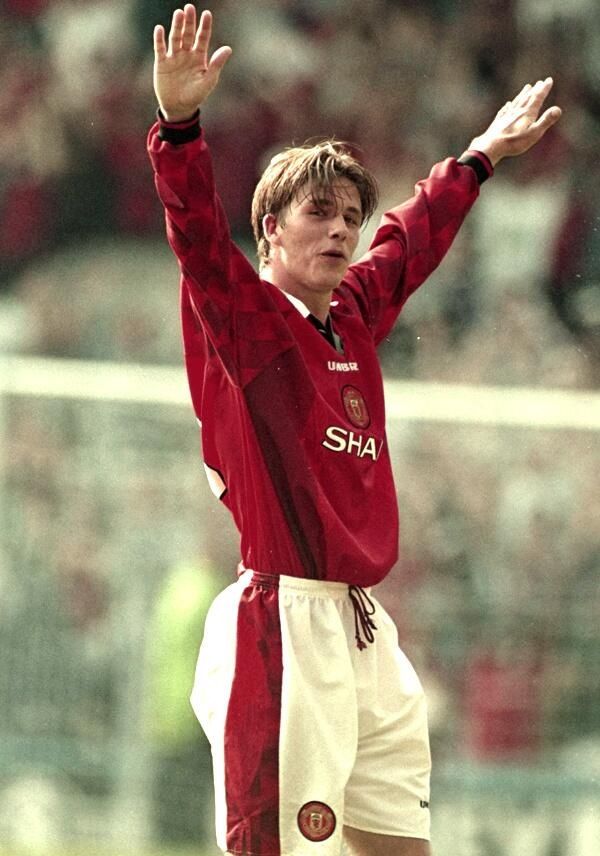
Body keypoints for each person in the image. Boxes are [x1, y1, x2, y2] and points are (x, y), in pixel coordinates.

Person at [148, 6, 562, 855]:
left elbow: (409, 241)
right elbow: (195, 238)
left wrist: (480, 158)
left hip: (363, 627)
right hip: (284, 629)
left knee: (399, 845)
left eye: (349, 217)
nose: (341, 230)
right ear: (270, 230)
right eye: (319, 214)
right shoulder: (247, 323)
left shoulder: (351, 316)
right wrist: (180, 126)